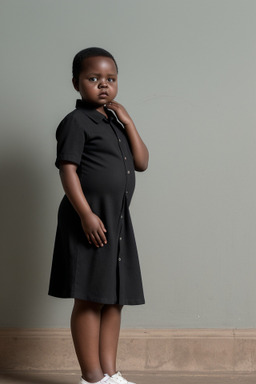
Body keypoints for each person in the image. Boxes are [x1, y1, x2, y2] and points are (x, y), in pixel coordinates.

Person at [48, 47, 149, 384]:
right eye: (93, 79)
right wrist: (86, 215)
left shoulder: (116, 122)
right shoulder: (76, 121)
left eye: (110, 79)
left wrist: (130, 122)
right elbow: (68, 170)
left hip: (117, 220)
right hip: (91, 220)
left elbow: (142, 162)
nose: (103, 85)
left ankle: (110, 372)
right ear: (77, 83)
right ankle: (91, 376)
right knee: (90, 298)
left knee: (114, 299)